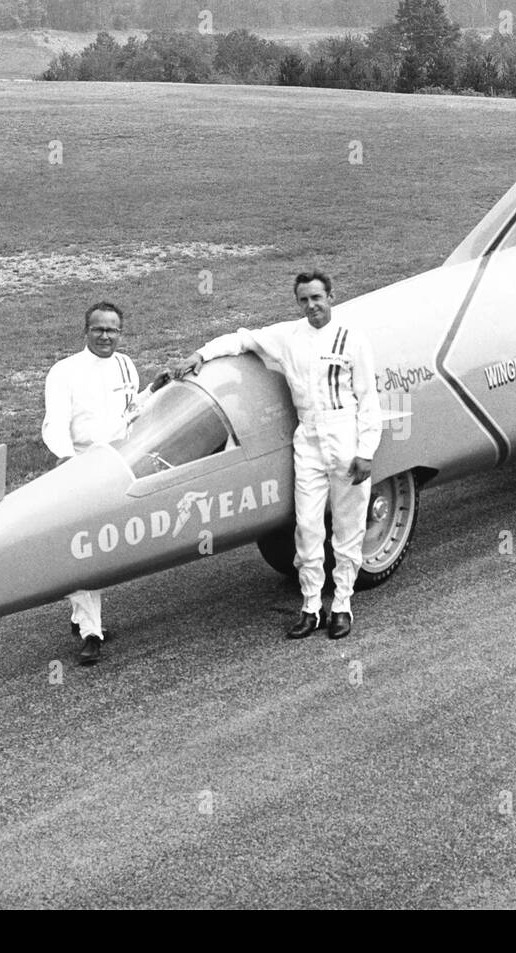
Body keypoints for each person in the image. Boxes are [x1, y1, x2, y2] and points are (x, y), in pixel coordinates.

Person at [177, 271, 381, 639]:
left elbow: (369, 401)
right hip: (309, 442)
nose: (311, 306)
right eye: (304, 300)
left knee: (349, 529)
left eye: (317, 297)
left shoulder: (353, 340)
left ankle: (342, 605)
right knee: (307, 527)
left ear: (331, 296)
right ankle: (310, 606)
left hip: (346, 439)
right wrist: (200, 354)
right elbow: (242, 340)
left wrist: (366, 452)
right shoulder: (289, 336)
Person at [43, 301, 155, 665]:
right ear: (85, 331)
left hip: (118, 466)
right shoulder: (65, 372)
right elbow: (55, 422)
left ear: (121, 333)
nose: (106, 336)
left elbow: (129, 411)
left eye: (113, 330)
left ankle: (81, 617)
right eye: (99, 329)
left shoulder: (125, 364)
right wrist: (66, 460)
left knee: (105, 548)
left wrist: (153, 394)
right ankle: (92, 632)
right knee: (82, 550)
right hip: (79, 466)